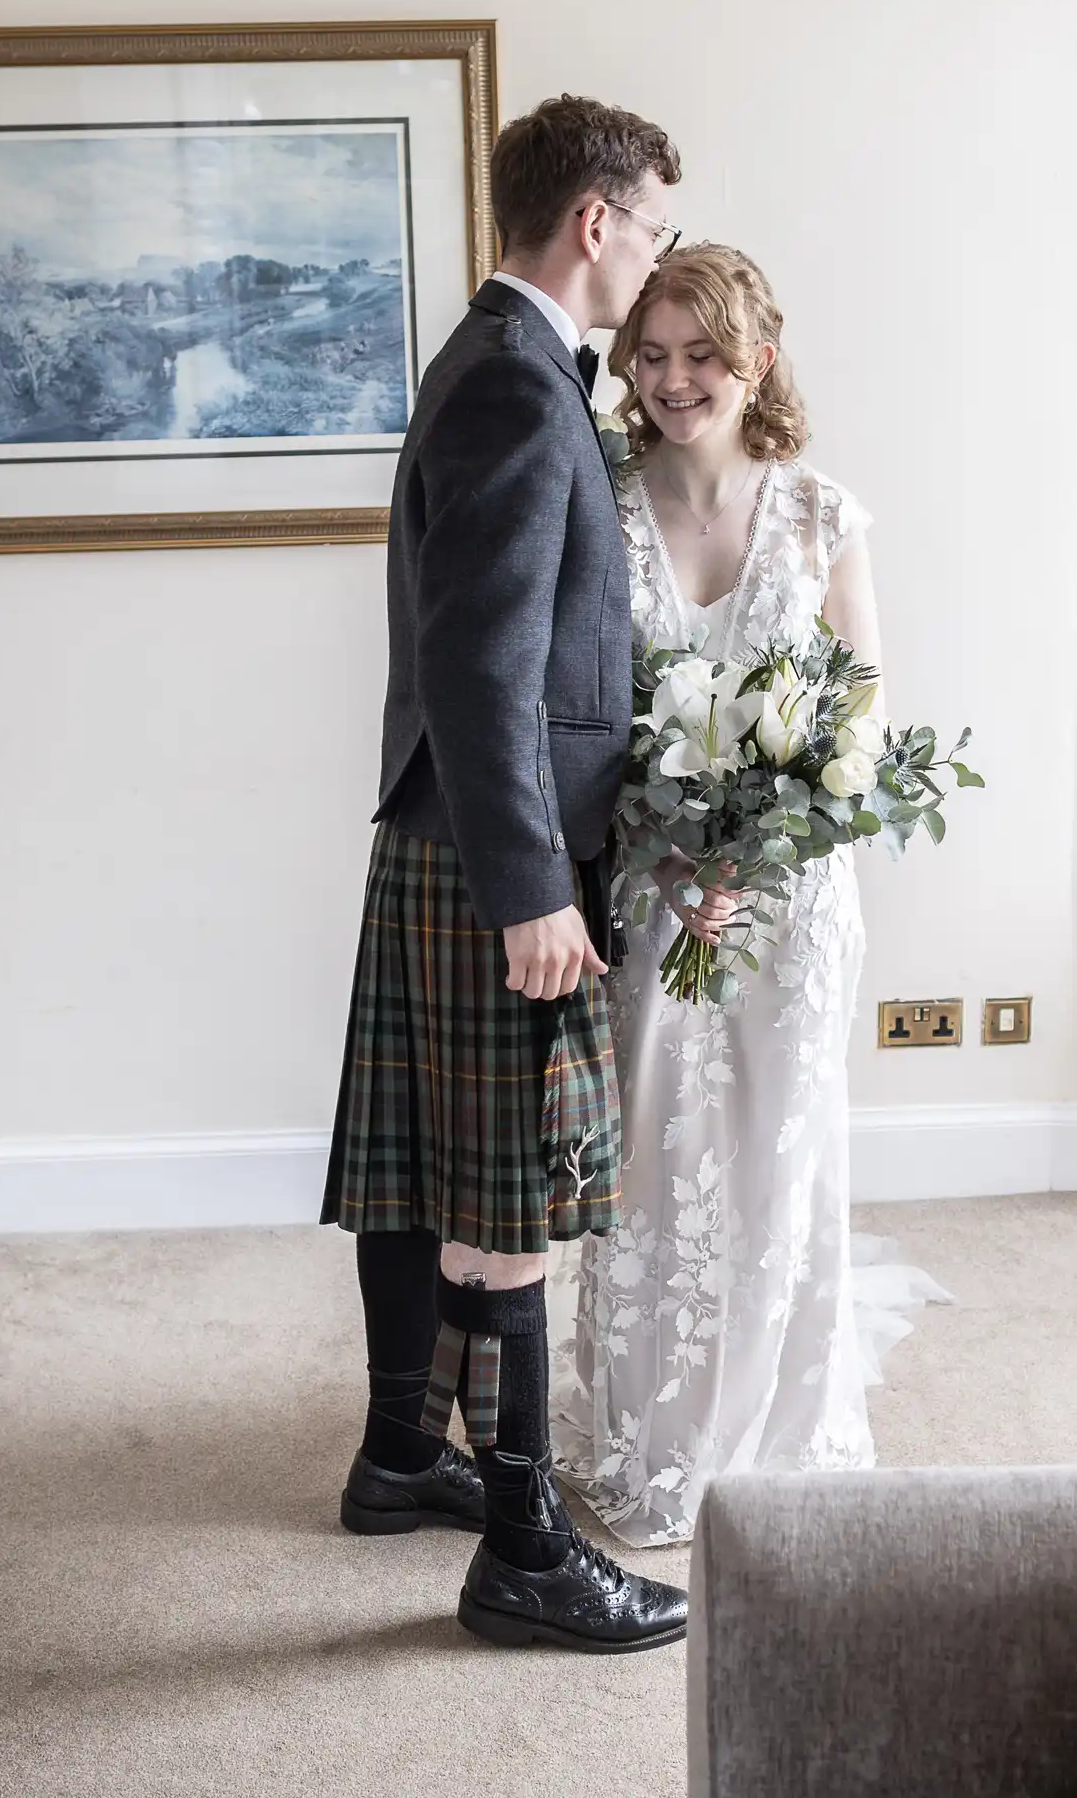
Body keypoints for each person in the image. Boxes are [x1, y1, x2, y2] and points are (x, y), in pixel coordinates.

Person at [320, 95, 689, 1651]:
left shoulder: (499, 362)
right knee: (512, 1196)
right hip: (496, 854)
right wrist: (537, 884)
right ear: (596, 223)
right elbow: (481, 668)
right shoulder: (524, 390)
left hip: (454, 837)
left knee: (439, 1171)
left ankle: (408, 1452)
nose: (659, 253)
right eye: (655, 226)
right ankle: (527, 1549)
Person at [553, 244, 950, 1545]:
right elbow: (579, 719)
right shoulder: (596, 506)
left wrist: (754, 847)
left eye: (701, 356)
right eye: (651, 356)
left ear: (756, 359)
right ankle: (652, 1432)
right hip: (654, 890)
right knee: (660, 1160)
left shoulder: (823, 516)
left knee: (782, 1148)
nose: (673, 380)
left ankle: (780, 1429)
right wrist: (673, 853)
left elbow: (861, 709)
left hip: (791, 897)